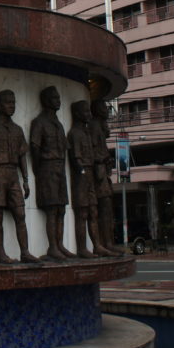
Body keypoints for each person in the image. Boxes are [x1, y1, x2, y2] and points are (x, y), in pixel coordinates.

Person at [0, 89, 38, 264]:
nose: (12, 106)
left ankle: (25, 252)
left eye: (13, 102)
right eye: (8, 102)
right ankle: (1, 254)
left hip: (13, 176)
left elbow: (22, 157)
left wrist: (26, 180)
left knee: (20, 214)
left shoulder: (17, 129)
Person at [30, 86, 75, 261]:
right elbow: (35, 147)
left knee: (61, 209)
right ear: (47, 101)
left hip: (59, 169)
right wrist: (38, 168)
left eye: (58, 97)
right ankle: (53, 247)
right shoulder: (39, 122)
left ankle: (60, 244)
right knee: (51, 209)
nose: (58, 101)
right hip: (47, 168)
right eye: (55, 98)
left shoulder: (59, 124)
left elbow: (65, 148)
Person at [66, 101, 101, 258]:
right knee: (83, 213)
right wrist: (83, 172)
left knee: (93, 211)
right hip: (82, 176)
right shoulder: (75, 133)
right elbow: (76, 157)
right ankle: (81, 248)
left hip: (90, 174)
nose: (89, 115)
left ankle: (97, 246)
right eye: (86, 112)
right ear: (78, 114)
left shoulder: (86, 133)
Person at [90, 98, 122, 256]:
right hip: (99, 172)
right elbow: (93, 151)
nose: (107, 110)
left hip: (103, 169)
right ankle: (104, 243)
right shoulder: (95, 125)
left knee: (107, 209)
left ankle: (108, 242)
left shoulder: (100, 126)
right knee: (104, 208)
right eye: (103, 106)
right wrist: (102, 160)